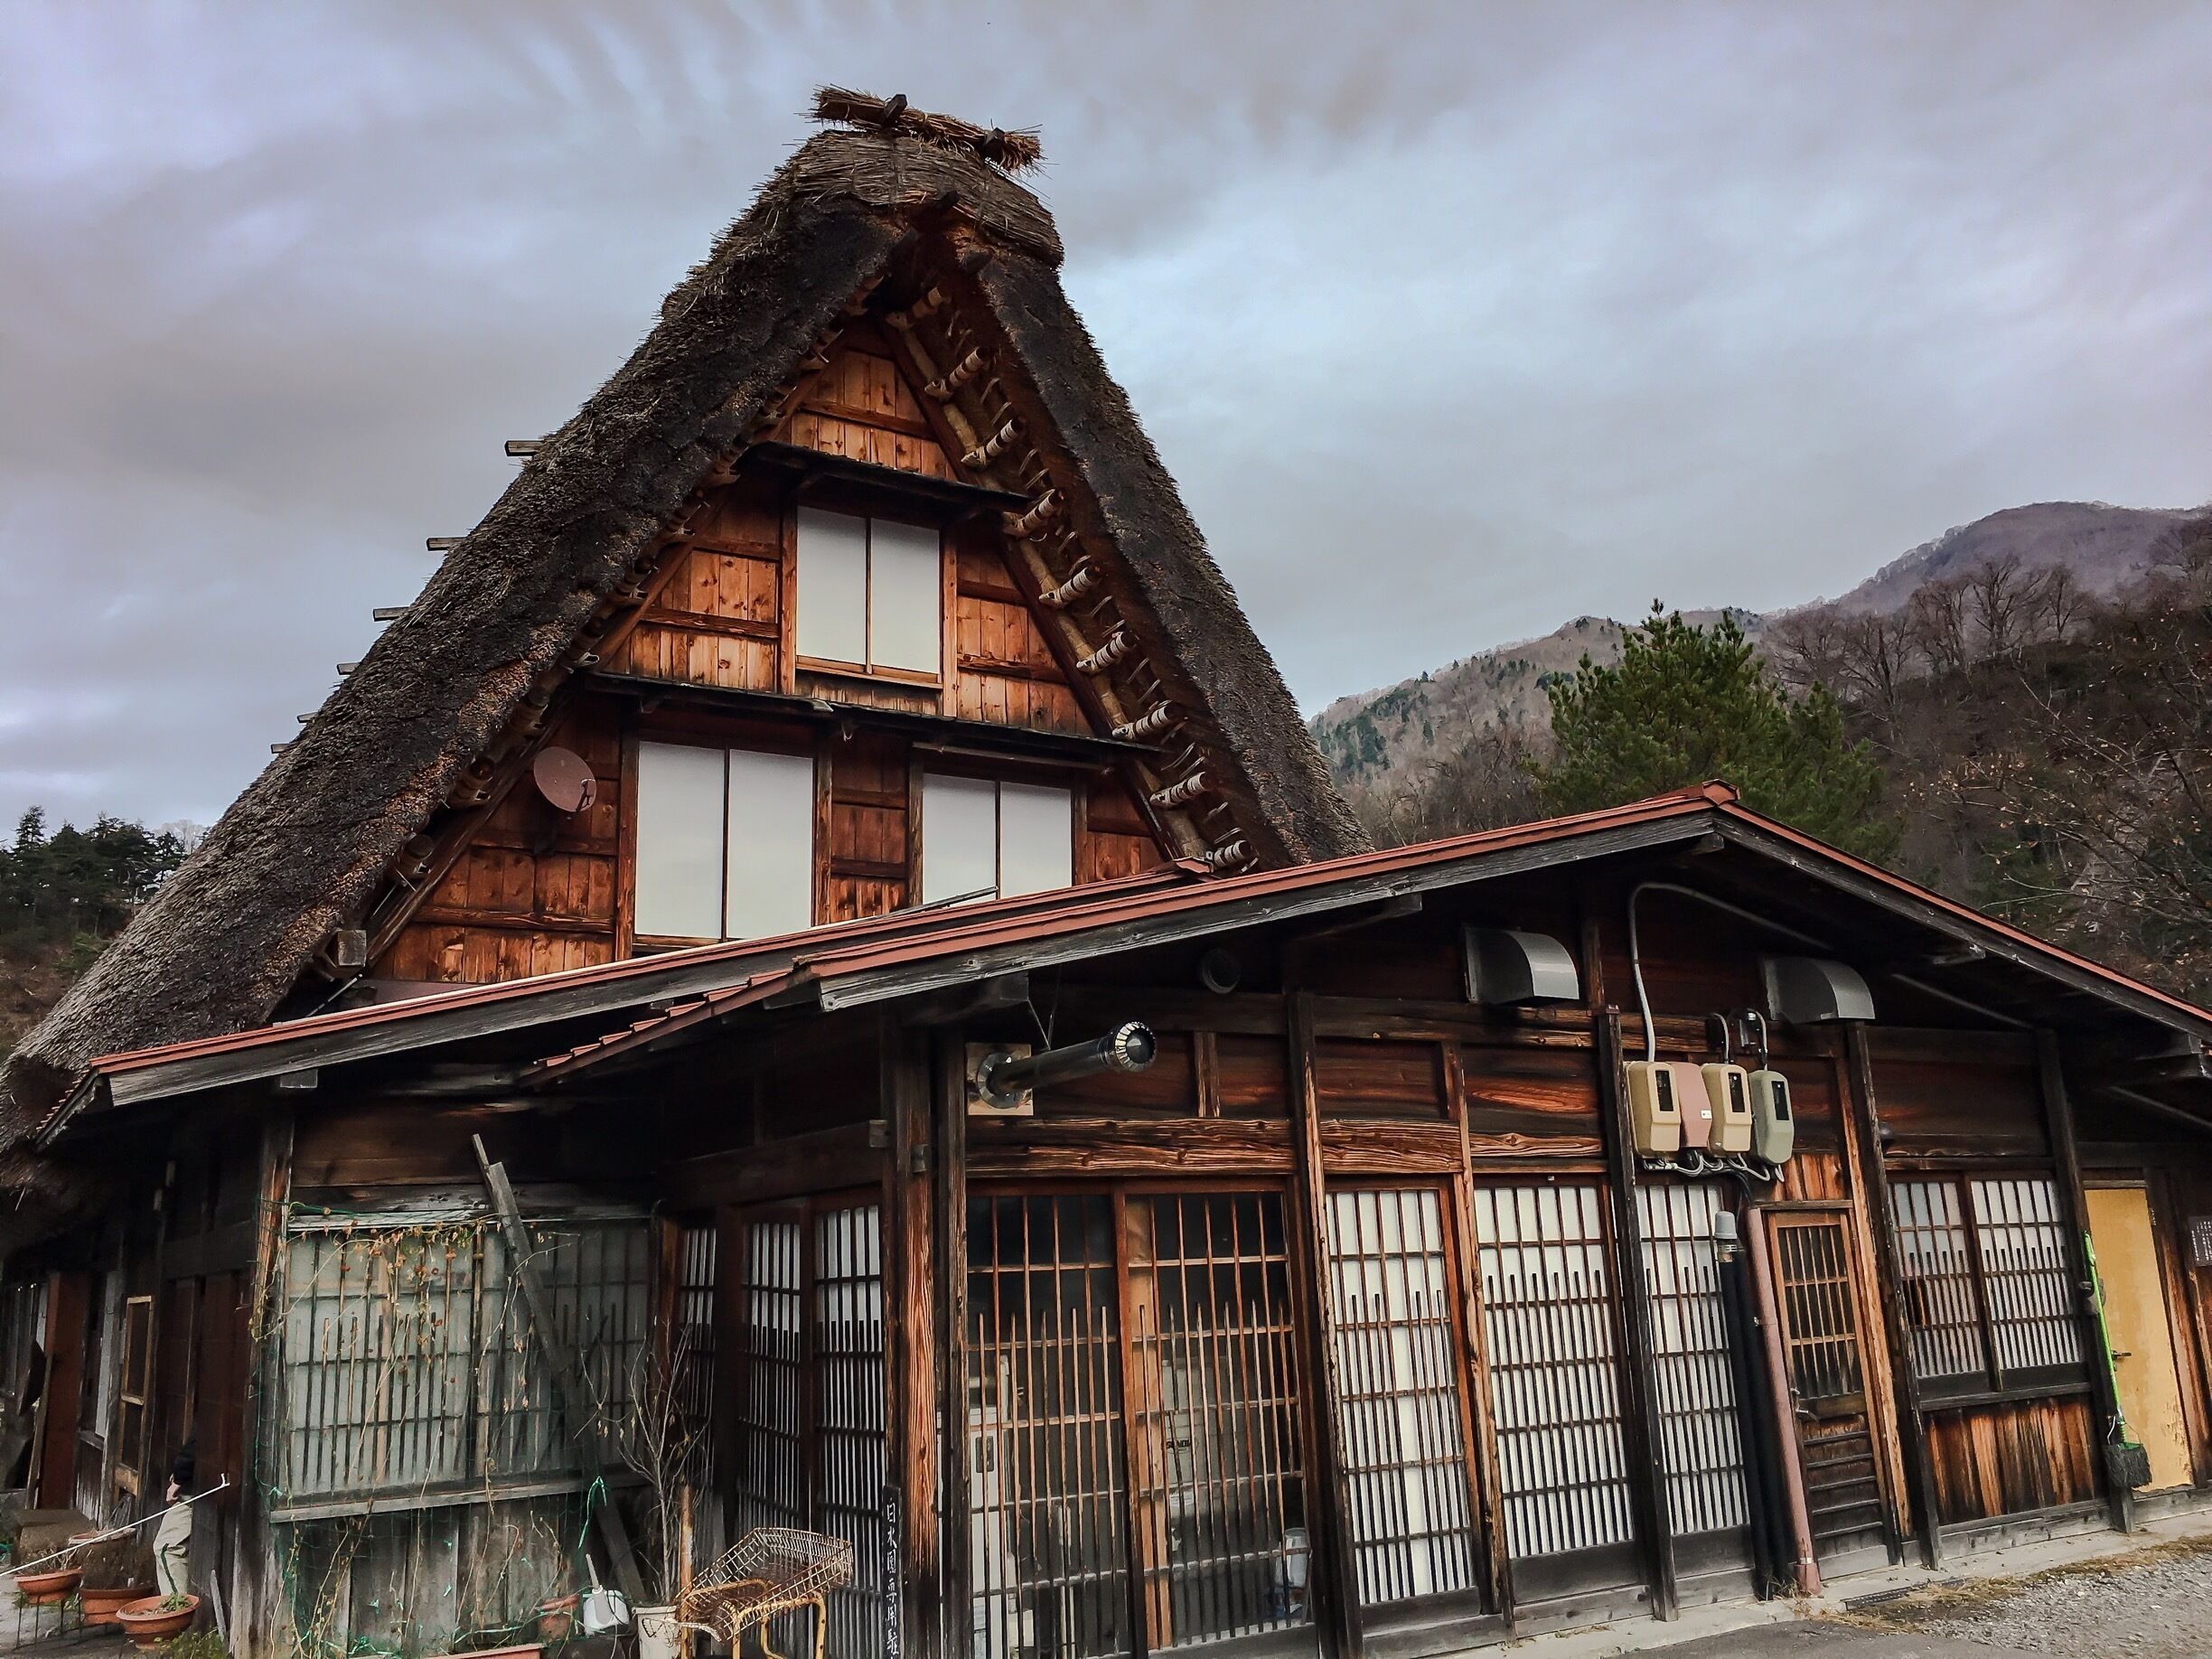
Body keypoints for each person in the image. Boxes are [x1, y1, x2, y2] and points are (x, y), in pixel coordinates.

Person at [153, 1439, 195, 1599]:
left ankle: (176, 1609)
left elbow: (198, 1442)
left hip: (196, 1490)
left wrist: (179, 1478)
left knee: (166, 1548)